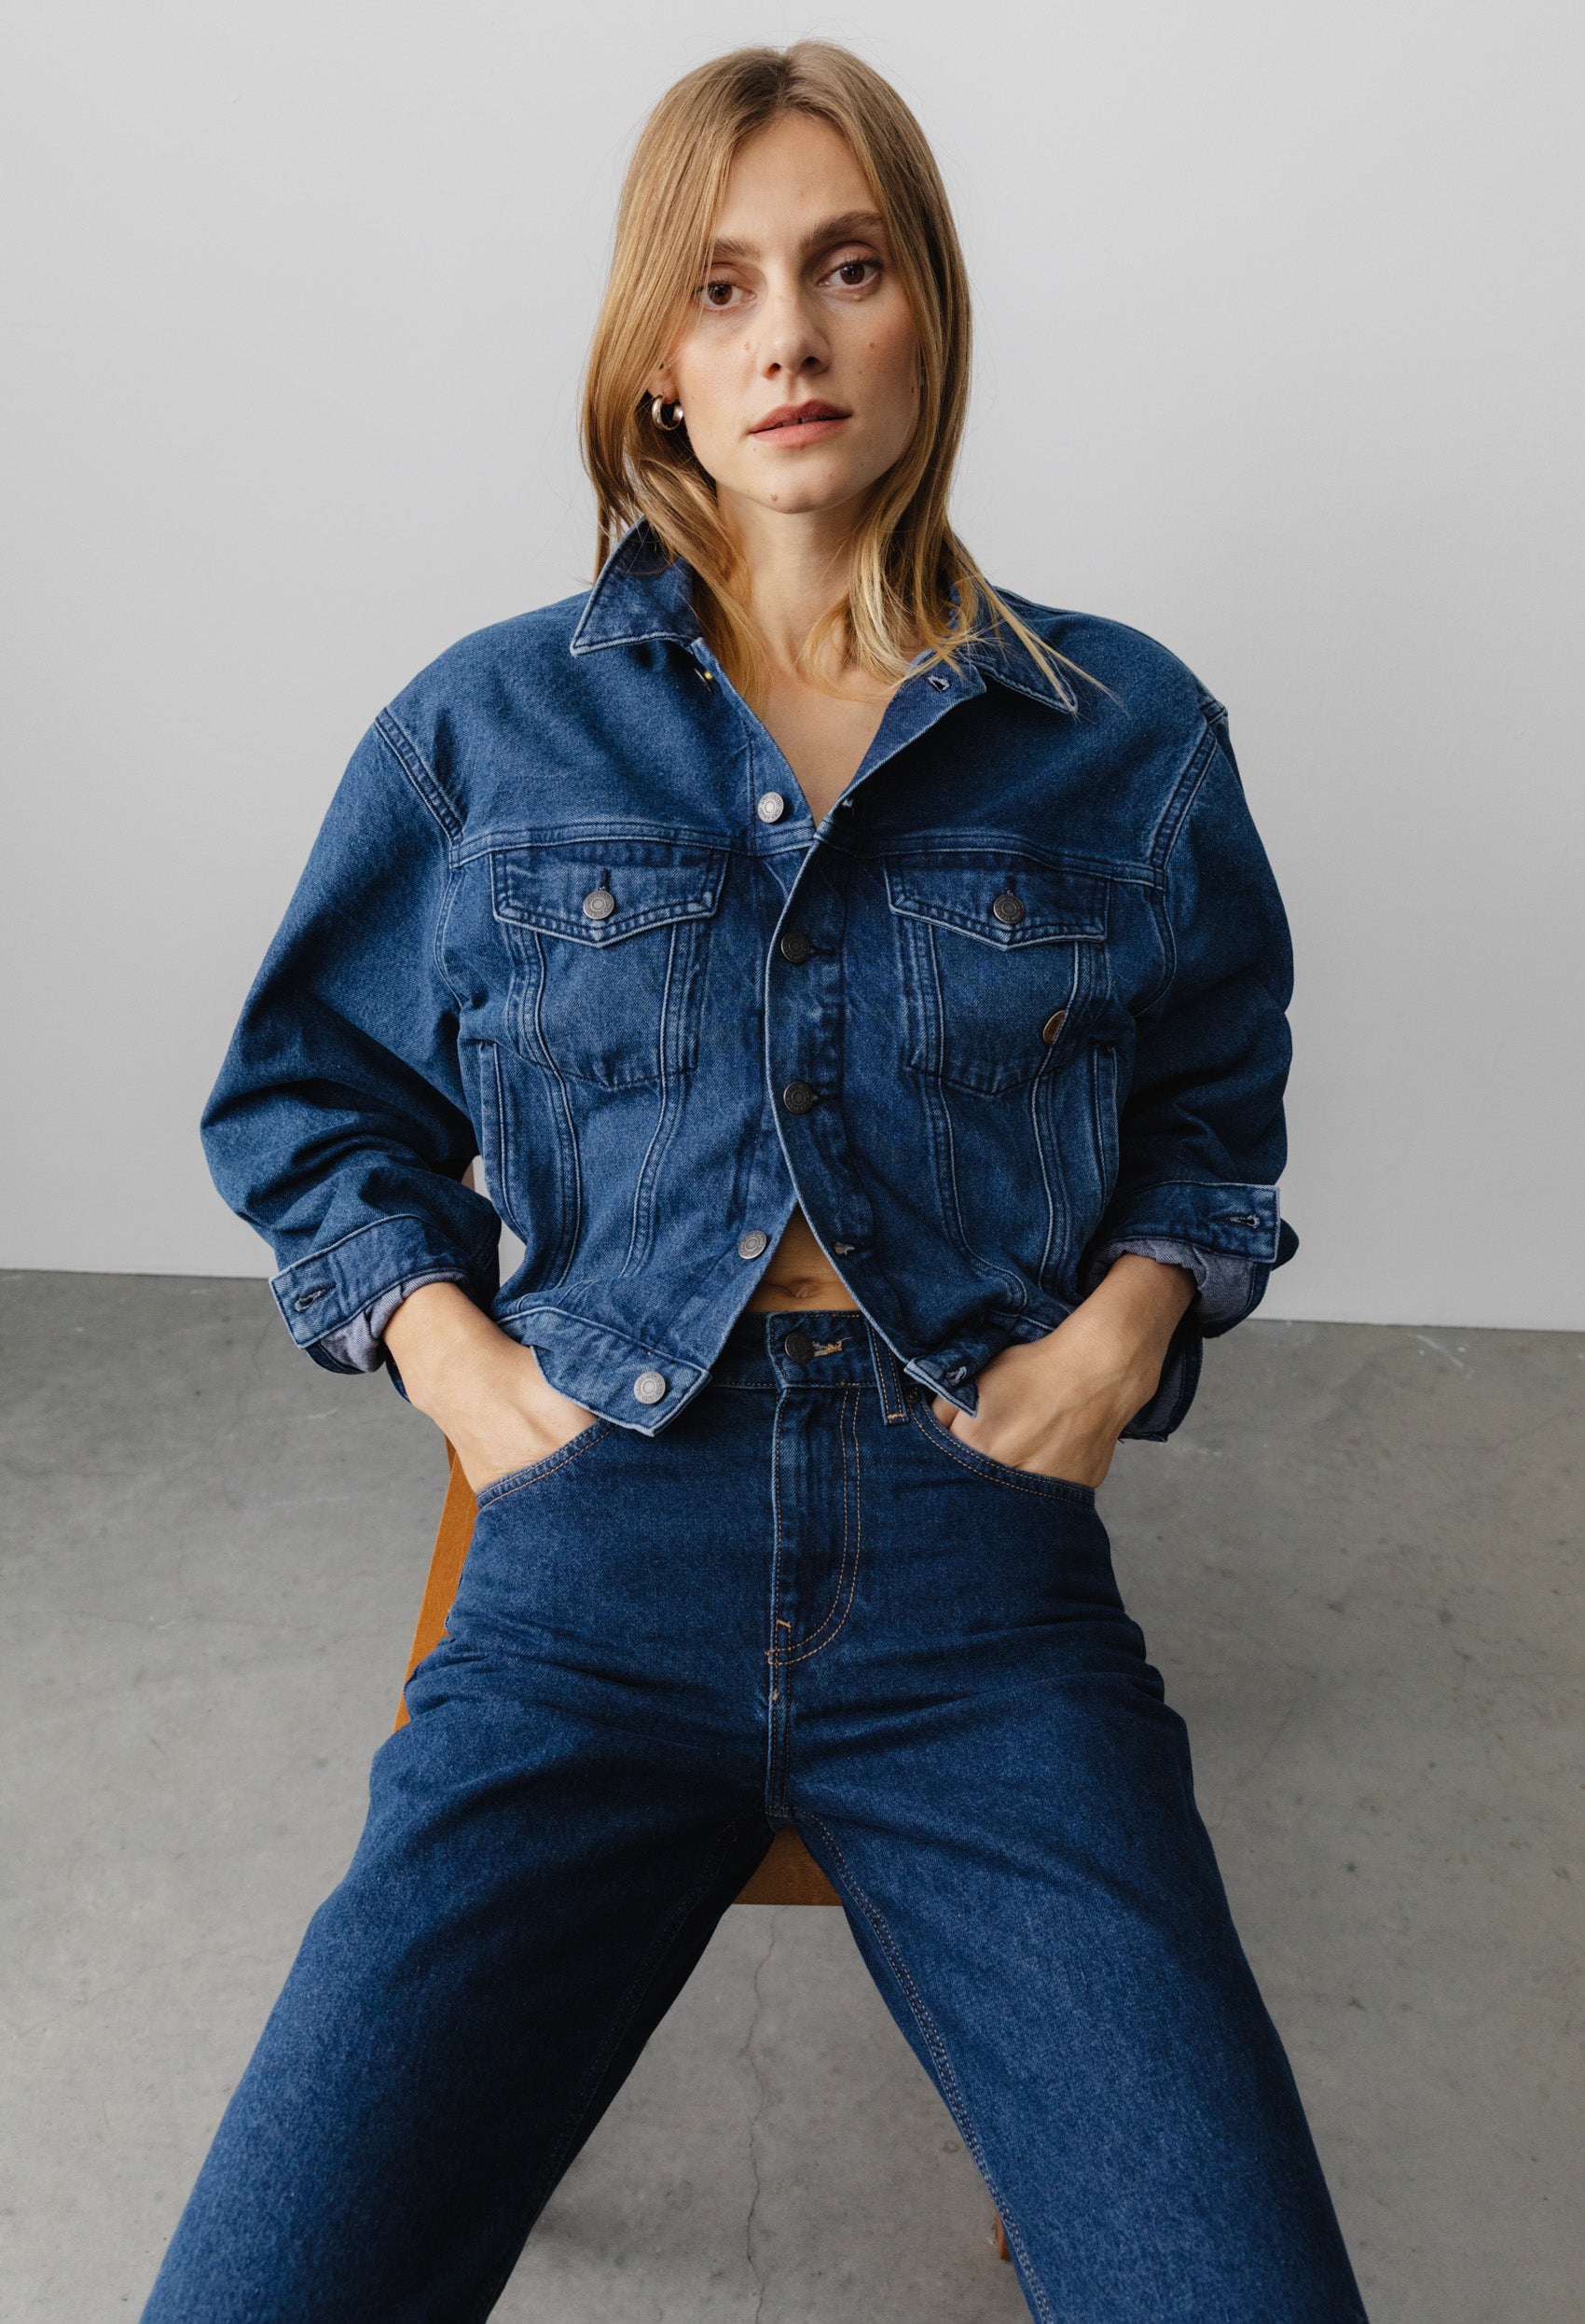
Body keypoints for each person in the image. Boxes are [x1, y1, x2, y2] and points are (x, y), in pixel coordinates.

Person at [143, 41, 1367, 2324]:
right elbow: (307, 1099)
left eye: (845, 265)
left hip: (974, 1572)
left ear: (929, 316)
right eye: (716, 289)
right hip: (594, 1556)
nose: (786, 333)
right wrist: (465, 1372)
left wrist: (1121, 1337)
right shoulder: (483, 729)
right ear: (654, 365)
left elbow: (1216, 1096)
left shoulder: (1125, 730)